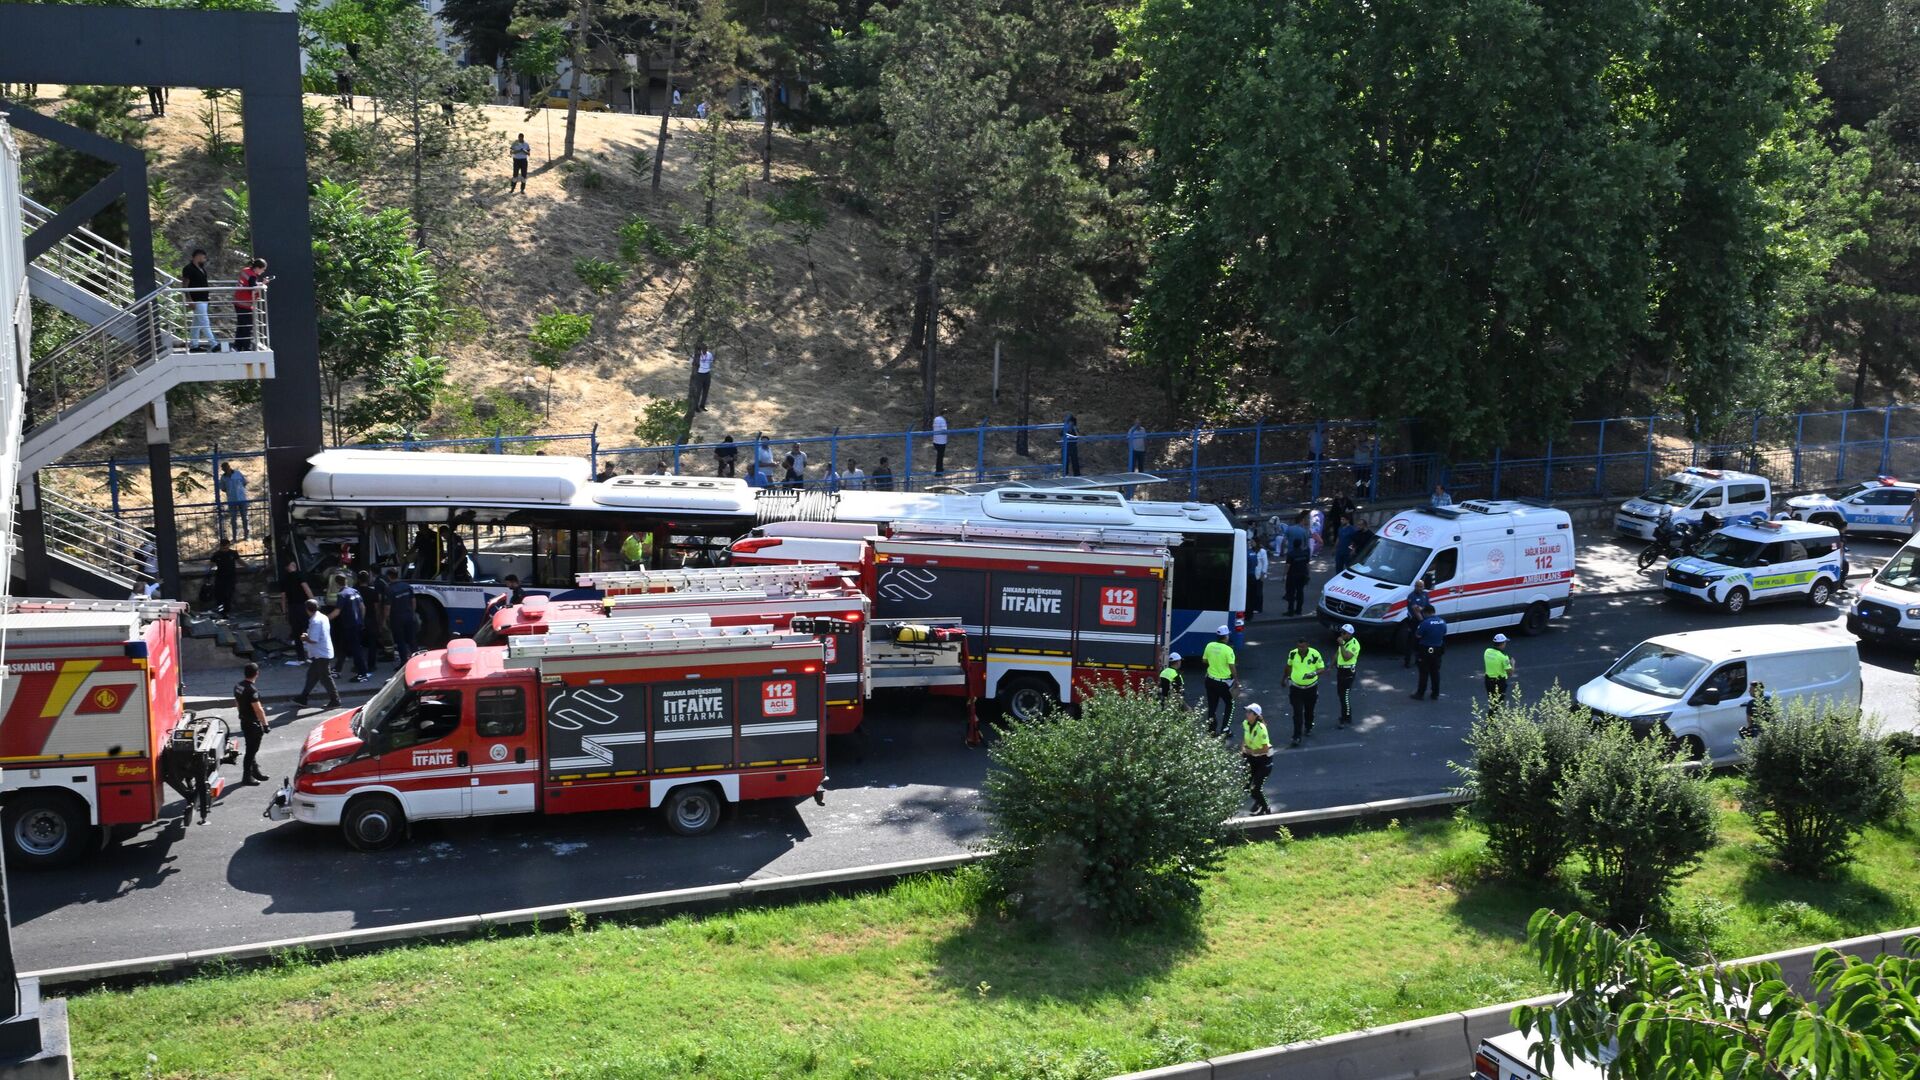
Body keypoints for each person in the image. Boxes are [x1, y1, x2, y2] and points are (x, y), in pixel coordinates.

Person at [295, 599, 342, 709]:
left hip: (321, 653)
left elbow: (313, 639)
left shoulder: (315, 621)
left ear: (307, 610)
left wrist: (304, 638)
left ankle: (335, 700)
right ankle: (303, 697)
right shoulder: (323, 617)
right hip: (321, 652)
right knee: (312, 675)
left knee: (325, 678)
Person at [233, 662, 270, 784]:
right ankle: (246, 777)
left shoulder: (238, 686)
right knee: (251, 751)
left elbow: (237, 702)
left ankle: (255, 772)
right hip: (253, 724)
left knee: (250, 748)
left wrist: (240, 713)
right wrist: (265, 725)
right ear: (257, 674)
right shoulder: (252, 690)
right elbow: (258, 709)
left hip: (244, 721)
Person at [1285, 636, 1324, 746]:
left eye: (1302, 647)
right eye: (1298, 647)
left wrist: (1314, 674)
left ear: (1307, 645)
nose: (1300, 649)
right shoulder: (1293, 653)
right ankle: (1296, 736)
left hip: (1311, 688)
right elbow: (1289, 666)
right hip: (1296, 688)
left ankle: (1308, 726)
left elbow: (1321, 668)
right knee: (1297, 712)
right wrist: (1286, 678)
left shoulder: (1315, 654)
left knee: (1309, 710)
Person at [1201, 625, 1237, 736]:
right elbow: (1232, 667)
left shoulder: (1209, 645)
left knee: (1212, 706)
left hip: (1210, 680)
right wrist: (1236, 680)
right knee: (1230, 704)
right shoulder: (1228, 650)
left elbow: (1204, 661)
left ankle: (1211, 730)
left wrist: (1214, 663)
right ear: (1226, 637)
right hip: (1223, 683)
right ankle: (1225, 729)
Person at [333, 575, 369, 683]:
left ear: (336, 584)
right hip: (356, 625)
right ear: (346, 581)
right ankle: (337, 670)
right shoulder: (355, 591)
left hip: (349, 626)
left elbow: (337, 612)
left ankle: (362, 674)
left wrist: (324, 618)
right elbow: (363, 607)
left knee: (356, 650)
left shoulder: (342, 595)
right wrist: (361, 621)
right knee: (343, 647)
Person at [1241, 703, 1273, 816]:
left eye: (1249, 712)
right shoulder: (1246, 723)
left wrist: (1252, 752)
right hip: (1251, 759)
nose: (1247, 714)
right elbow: (1245, 737)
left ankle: (1266, 808)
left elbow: (1265, 749)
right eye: (1247, 711)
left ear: (1255, 715)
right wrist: (1243, 749)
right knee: (1246, 786)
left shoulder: (1261, 729)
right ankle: (1259, 800)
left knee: (1256, 788)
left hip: (1263, 761)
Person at [181, 249, 216, 351]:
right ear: (198, 256)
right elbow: (185, 285)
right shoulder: (188, 268)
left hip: (203, 299)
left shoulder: (201, 269)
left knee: (196, 324)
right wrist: (189, 300)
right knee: (204, 321)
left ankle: (194, 345)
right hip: (196, 299)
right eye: (204, 257)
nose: (205, 259)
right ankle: (214, 344)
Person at [1411, 604, 1447, 701]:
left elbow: (1418, 635)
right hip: (1438, 649)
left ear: (1426, 613)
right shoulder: (1442, 621)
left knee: (1424, 672)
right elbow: (1444, 633)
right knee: (1435, 672)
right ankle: (1435, 693)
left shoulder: (1425, 623)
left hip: (1425, 649)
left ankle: (1420, 693)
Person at [280, 557, 313, 661]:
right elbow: (306, 589)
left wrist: (284, 611)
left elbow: (283, 597)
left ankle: (301, 656)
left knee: (296, 632)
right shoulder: (300, 575)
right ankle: (311, 655)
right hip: (303, 606)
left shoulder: (284, 579)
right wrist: (314, 603)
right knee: (307, 629)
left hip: (292, 608)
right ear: (292, 565)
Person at [233, 257, 266, 352]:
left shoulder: (245, 270)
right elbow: (252, 289)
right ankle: (246, 347)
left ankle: (237, 346)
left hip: (237, 301)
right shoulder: (252, 276)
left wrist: (259, 284)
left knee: (241, 325)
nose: (263, 272)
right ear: (258, 268)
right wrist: (262, 284)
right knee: (247, 327)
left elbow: (250, 284)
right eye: (263, 269)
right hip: (244, 304)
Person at [386, 567, 418, 663]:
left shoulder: (389, 589)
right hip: (409, 616)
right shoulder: (407, 586)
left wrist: (386, 619)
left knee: (401, 642)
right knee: (412, 640)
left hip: (397, 619)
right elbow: (413, 601)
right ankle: (417, 660)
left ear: (389, 576)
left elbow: (387, 607)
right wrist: (412, 613)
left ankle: (404, 663)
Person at [1283, 514, 1312, 616]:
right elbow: (1308, 564)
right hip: (1302, 573)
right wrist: (1308, 574)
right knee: (1300, 592)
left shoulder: (1291, 554)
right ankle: (1299, 610)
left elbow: (1288, 565)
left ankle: (1290, 611)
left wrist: (1284, 575)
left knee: (1291, 591)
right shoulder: (1305, 552)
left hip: (1292, 574)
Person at [1334, 623, 1360, 727]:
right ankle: (1344, 716)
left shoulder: (1354, 644)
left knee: (1344, 696)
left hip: (1348, 671)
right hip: (1340, 670)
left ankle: (1346, 718)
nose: (1341, 634)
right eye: (1341, 632)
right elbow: (1337, 654)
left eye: (1344, 633)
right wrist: (1330, 665)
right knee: (1340, 694)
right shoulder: (1344, 642)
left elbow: (1346, 657)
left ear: (1349, 634)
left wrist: (1341, 645)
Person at [1403, 574, 1431, 668]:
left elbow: (1427, 607)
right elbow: (1416, 610)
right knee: (1411, 641)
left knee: (1421, 641)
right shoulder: (1411, 596)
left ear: (1423, 587)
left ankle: (1418, 659)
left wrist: (1422, 609)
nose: (1419, 588)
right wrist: (1423, 621)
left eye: (1421, 586)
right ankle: (1407, 661)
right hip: (1414, 621)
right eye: (1417, 586)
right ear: (1415, 586)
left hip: (1423, 620)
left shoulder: (1425, 595)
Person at [209, 538, 240, 615]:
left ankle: (227, 610)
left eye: (226, 547)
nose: (225, 549)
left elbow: (239, 561)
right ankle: (220, 610)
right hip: (220, 577)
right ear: (220, 546)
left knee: (228, 594)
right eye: (223, 548)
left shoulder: (233, 553)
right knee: (219, 594)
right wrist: (207, 570)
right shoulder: (216, 554)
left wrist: (248, 566)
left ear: (229, 545)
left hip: (231, 577)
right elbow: (211, 564)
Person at [220, 461, 249, 540]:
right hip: (232, 500)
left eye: (227, 467)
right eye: (224, 469)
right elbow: (223, 488)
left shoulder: (237, 473)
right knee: (233, 519)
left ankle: (246, 536)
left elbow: (244, 482)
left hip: (242, 499)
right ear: (223, 470)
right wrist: (230, 492)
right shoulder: (223, 478)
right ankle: (234, 537)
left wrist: (240, 491)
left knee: (244, 517)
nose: (226, 469)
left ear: (229, 467)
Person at [1483, 634, 1514, 702]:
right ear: (1502, 644)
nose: (1505, 644)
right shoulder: (1503, 657)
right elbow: (1510, 673)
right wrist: (1512, 663)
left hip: (1488, 681)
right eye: (1505, 642)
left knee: (1492, 701)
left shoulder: (1487, 651)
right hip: (1499, 683)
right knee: (1499, 703)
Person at [1247, 537, 1268, 614]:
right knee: (1252, 591)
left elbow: (1265, 563)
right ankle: (1252, 606)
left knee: (1258, 592)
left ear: (1256, 542)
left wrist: (1263, 573)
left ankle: (1258, 608)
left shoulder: (1262, 551)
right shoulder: (1250, 550)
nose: (1251, 543)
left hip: (1259, 574)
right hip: (1252, 574)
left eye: (1252, 542)